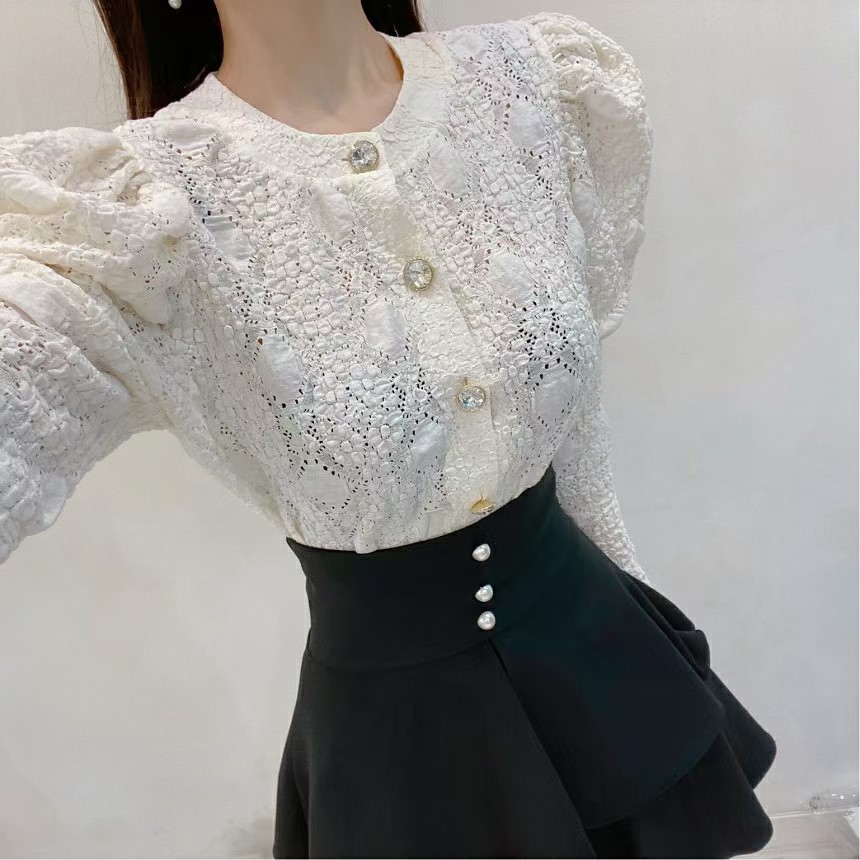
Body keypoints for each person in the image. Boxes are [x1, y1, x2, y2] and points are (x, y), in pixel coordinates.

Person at [0, 1, 777, 857]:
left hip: (601, 652)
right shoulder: (133, 217)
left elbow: (576, 416)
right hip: (404, 746)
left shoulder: (536, 84)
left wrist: (637, 604)